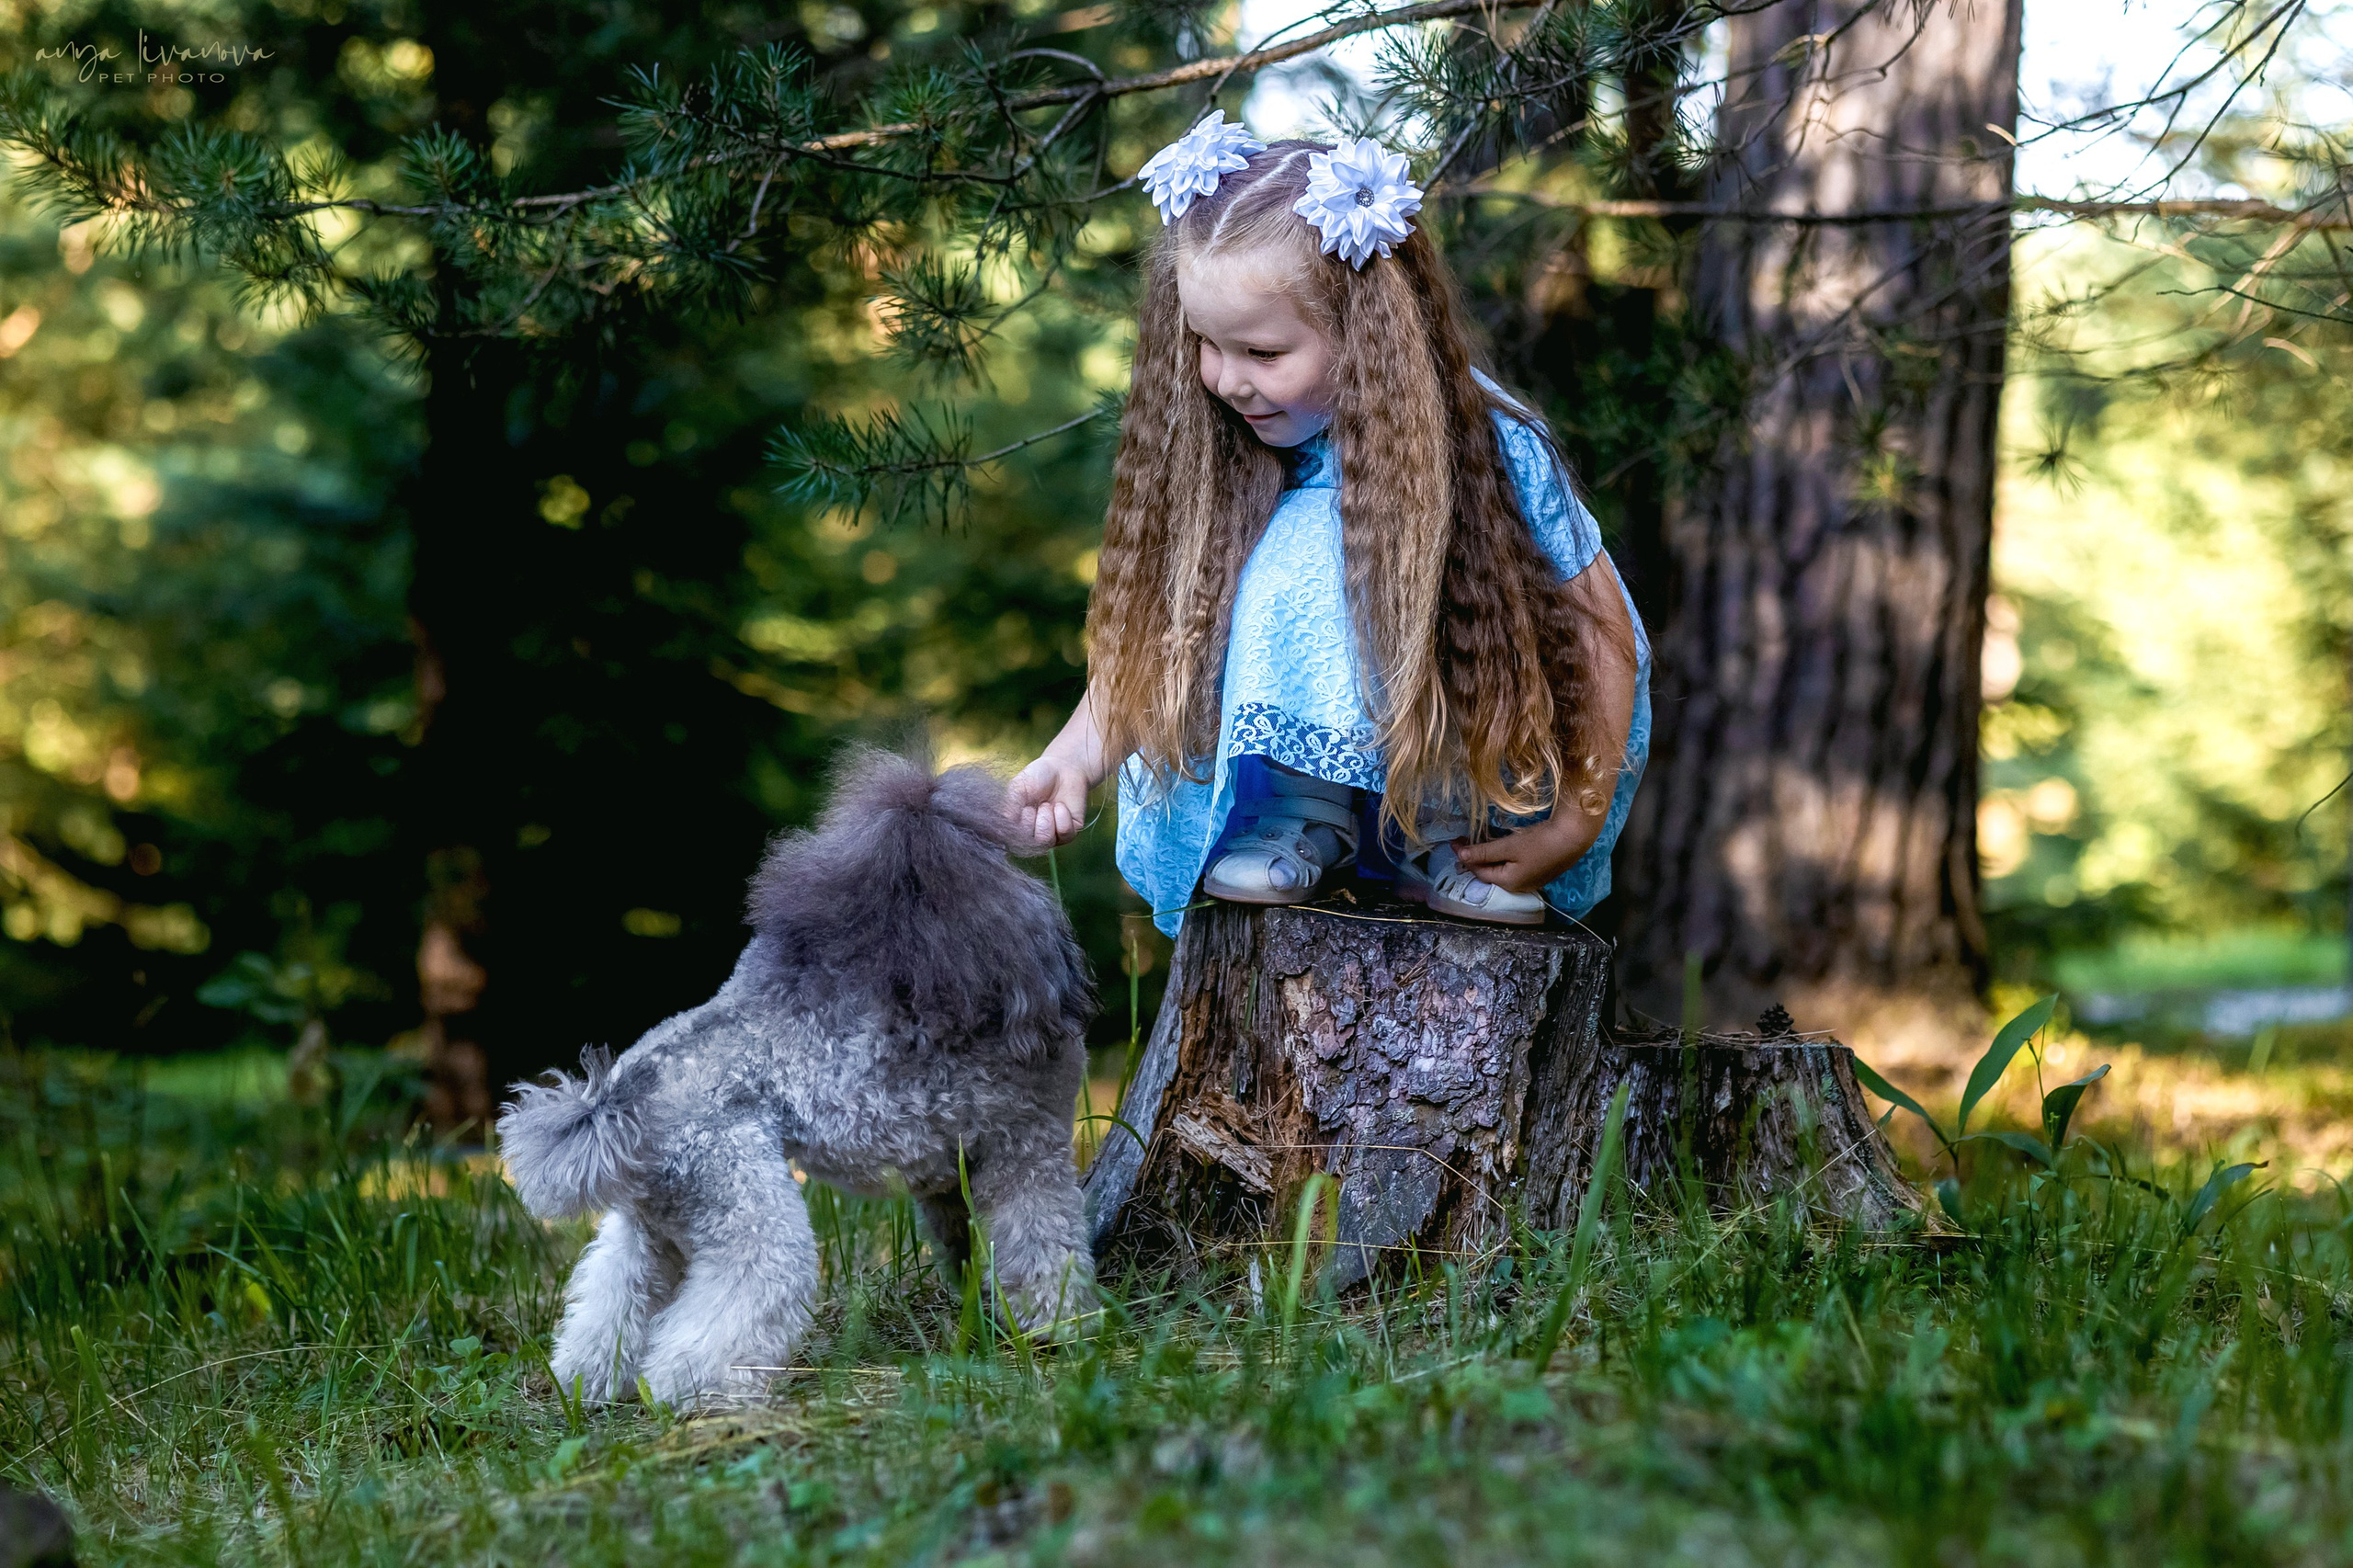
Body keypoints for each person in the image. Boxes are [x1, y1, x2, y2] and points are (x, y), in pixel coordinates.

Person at [1010, 115, 1648, 935]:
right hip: (1284, 807)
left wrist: (1576, 819)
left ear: (1365, 333)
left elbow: (1600, 628)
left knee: (1370, 542)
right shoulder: (1234, 454)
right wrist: (1070, 762)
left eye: (1264, 354)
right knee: (1263, 553)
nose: (1228, 382)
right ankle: (1303, 809)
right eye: (1206, 345)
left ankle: (1439, 825)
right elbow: (1164, 638)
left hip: (1472, 786)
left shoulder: (1489, 444)